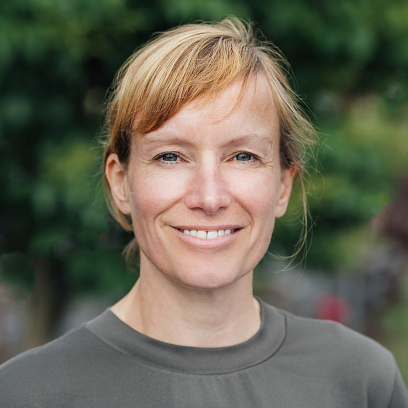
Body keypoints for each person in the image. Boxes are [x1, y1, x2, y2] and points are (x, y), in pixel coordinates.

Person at [1, 18, 407, 408]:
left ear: (283, 185)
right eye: (171, 156)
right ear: (120, 182)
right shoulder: (24, 395)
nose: (209, 197)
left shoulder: (361, 382)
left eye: (243, 156)